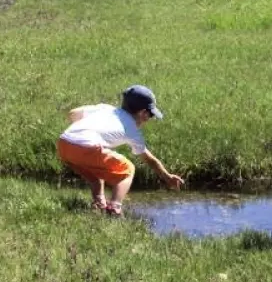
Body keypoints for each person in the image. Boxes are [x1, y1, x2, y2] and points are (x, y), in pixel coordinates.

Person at [57, 85, 183, 216]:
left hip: (64, 143)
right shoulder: (131, 129)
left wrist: (83, 131)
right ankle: (114, 208)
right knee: (127, 169)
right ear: (143, 113)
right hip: (86, 147)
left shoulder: (105, 109)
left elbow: (73, 113)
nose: (148, 119)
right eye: (150, 115)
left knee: (96, 174)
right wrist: (167, 176)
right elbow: (148, 159)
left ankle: (99, 204)